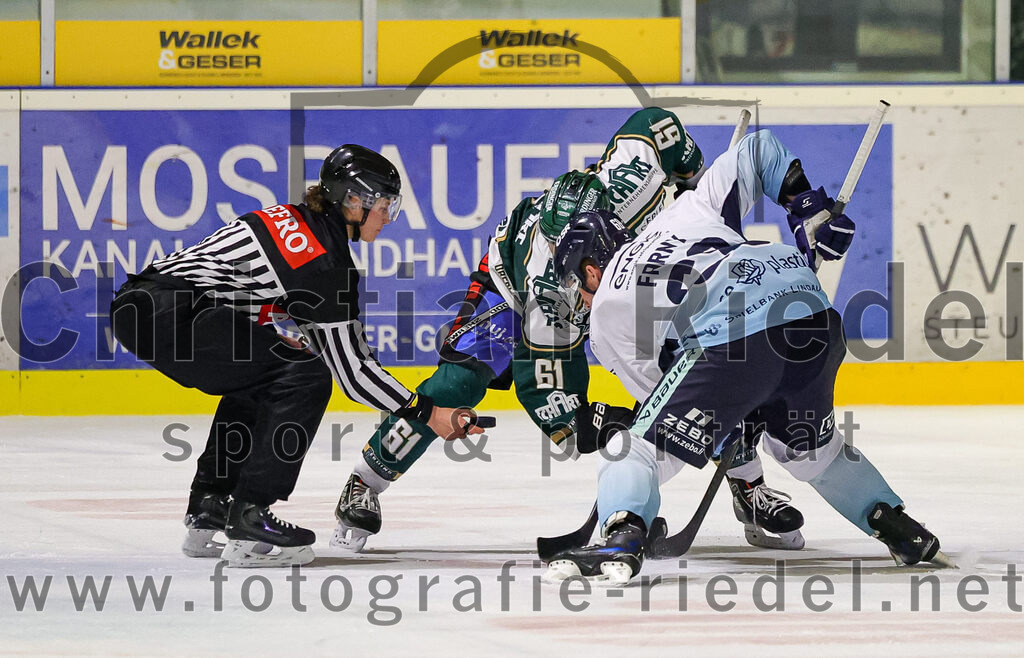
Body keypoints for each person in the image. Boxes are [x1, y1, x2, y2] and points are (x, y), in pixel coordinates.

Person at [332, 108, 804, 553]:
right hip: (508, 290)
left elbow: (657, 124)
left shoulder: (632, 179)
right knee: (457, 384)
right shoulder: (549, 290)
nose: (568, 270)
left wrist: (697, 179)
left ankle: (749, 486)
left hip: (644, 276)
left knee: (703, 366)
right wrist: (601, 424)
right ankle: (364, 480)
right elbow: (546, 394)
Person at [545, 129, 952, 585]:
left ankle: (621, 535)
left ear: (591, 268)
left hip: (731, 341)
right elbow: (758, 148)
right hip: (811, 312)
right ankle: (898, 526)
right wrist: (808, 209)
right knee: (810, 452)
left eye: (573, 284)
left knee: (634, 449)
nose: (577, 298)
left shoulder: (604, 312)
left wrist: (729, 429)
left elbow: (665, 409)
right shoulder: (685, 211)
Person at [109, 145, 482, 567]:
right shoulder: (326, 262)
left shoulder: (292, 217)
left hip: (140, 304)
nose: (387, 216)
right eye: (384, 203)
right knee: (306, 376)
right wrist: (425, 411)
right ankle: (249, 513)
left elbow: (262, 306)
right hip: (178, 314)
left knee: (267, 374)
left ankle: (209, 505)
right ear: (354, 200)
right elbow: (354, 374)